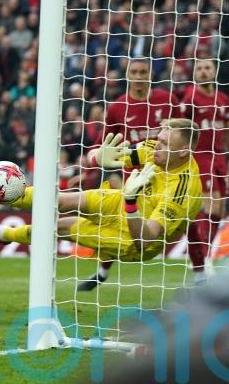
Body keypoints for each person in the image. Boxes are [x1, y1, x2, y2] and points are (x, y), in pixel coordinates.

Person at [0, 119, 202, 265]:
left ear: (183, 152)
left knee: (64, 226)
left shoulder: (182, 190)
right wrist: (98, 158)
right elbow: (101, 155)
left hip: (135, 235)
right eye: (159, 138)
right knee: (63, 200)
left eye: (165, 143)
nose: (157, 145)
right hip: (123, 202)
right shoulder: (153, 149)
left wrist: (130, 202)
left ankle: (5, 234)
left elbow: (146, 239)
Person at [71, 58, 182, 289]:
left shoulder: (167, 100)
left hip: (164, 176)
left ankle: (201, 272)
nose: (139, 76)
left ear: (151, 75)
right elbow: (103, 143)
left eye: (143, 72)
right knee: (114, 224)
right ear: (128, 75)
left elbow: (181, 135)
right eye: (135, 72)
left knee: (184, 218)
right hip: (132, 180)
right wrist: (91, 160)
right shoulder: (117, 107)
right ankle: (102, 272)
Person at [179, 59, 229, 284]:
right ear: (194, 74)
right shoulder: (190, 98)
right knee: (207, 205)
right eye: (199, 69)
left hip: (219, 156)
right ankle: (202, 259)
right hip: (199, 156)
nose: (203, 72)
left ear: (214, 71)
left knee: (219, 209)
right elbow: (182, 128)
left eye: (207, 68)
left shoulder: (223, 99)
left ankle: (205, 253)